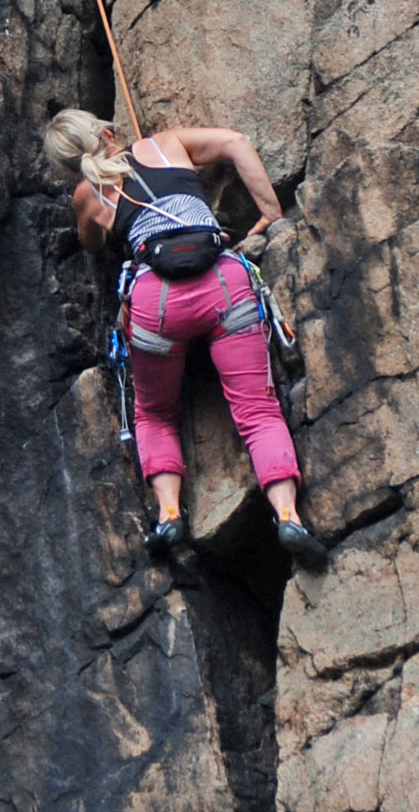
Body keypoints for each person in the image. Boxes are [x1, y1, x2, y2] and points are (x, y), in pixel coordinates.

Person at [44, 108, 326, 570]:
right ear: (108, 132)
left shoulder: (85, 195)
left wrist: (94, 195)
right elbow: (236, 141)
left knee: (155, 414)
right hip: (224, 283)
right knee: (258, 411)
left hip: (155, 304)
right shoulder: (164, 144)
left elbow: (92, 244)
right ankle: (289, 517)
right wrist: (270, 213)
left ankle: (170, 515)